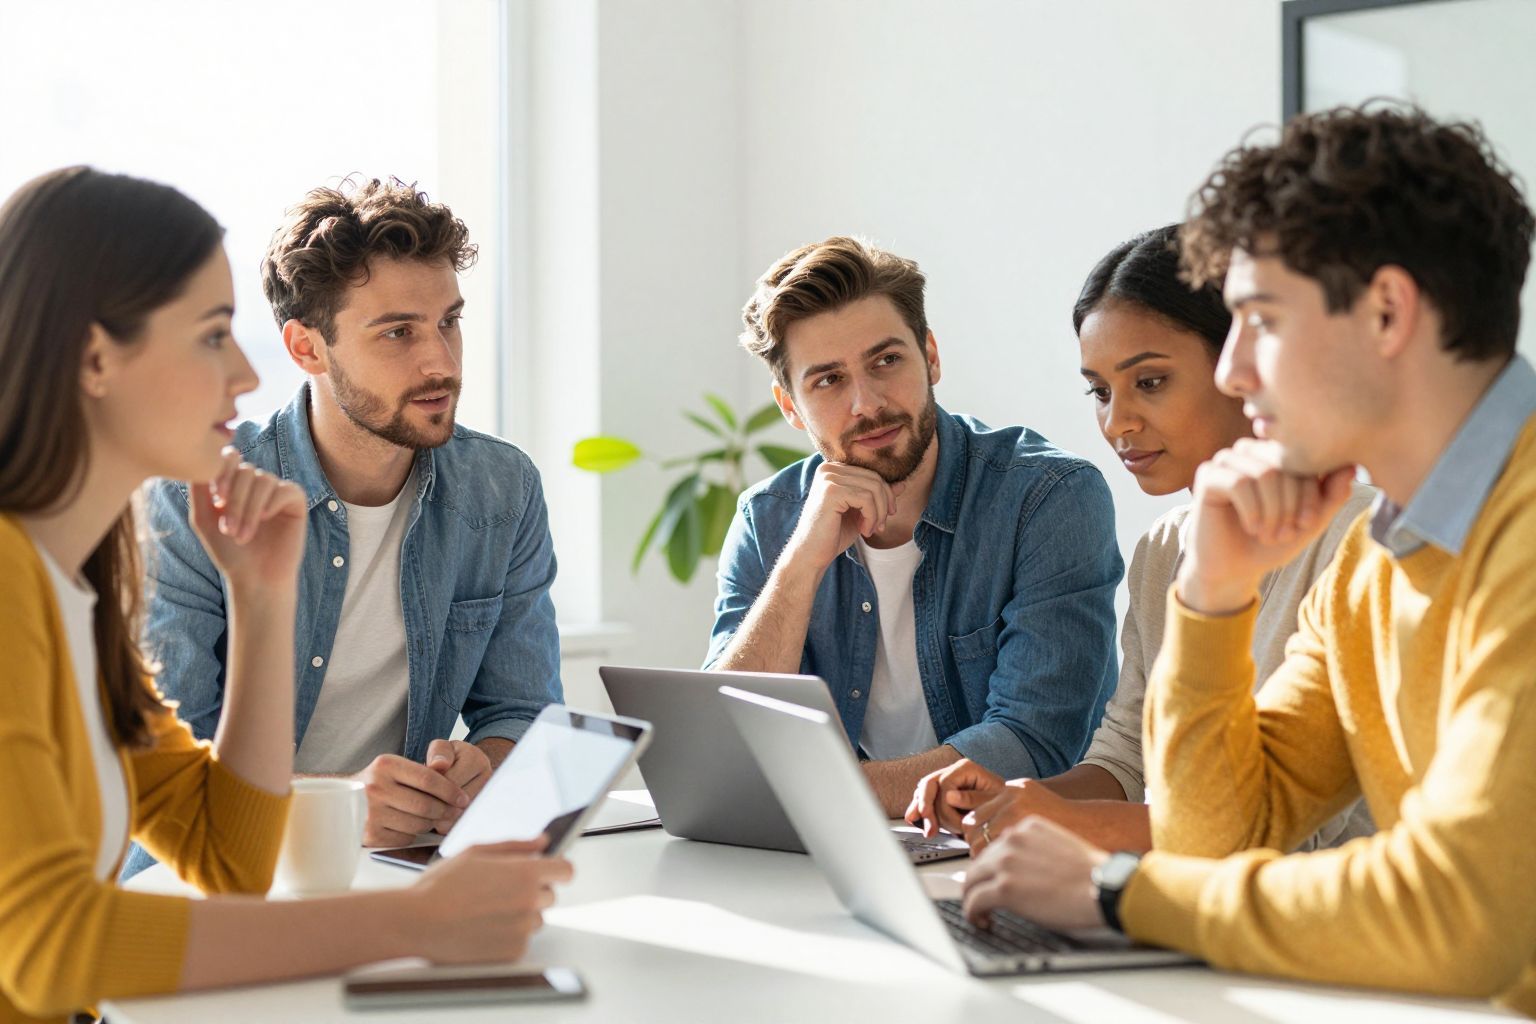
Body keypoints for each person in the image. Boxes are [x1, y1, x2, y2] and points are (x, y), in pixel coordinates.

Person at [956, 106, 1536, 1015]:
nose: (1232, 372)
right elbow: (1220, 834)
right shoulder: (1372, 564)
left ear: (1388, 312)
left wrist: (1118, 893)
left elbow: (1465, 915)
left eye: (1260, 321)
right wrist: (1213, 591)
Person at [0, 167, 569, 1024]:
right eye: (210, 336)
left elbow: (225, 858)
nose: (241, 373)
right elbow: (52, 950)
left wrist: (262, 598)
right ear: (94, 359)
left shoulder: (73, 584)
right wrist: (413, 922)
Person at [122, 178, 561, 880]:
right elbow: (163, 774)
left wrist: (484, 768)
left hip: (396, 866)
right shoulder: (191, 500)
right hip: (217, 876)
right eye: (398, 332)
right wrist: (337, 808)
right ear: (307, 349)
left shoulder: (501, 489)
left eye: (449, 322)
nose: (442, 363)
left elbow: (525, 711)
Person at [906, 225, 1376, 853]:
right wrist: (1016, 798)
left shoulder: (1362, 540)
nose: (1116, 422)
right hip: (1183, 894)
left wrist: (1065, 822)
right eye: (1100, 391)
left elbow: (1292, 836)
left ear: (1240, 365)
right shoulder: (1164, 550)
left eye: (1149, 382)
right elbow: (1127, 757)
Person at [706, 235, 1123, 814]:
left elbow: (1033, 743)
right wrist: (800, 563)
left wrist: (820, 793)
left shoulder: (1047, 497)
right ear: (790, 406)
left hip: (1012, 842)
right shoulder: (768, 518)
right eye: (828, 380)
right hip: (844, 839)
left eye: (886, 361)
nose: (867, 403)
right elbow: (725, 741)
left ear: (930, 356)